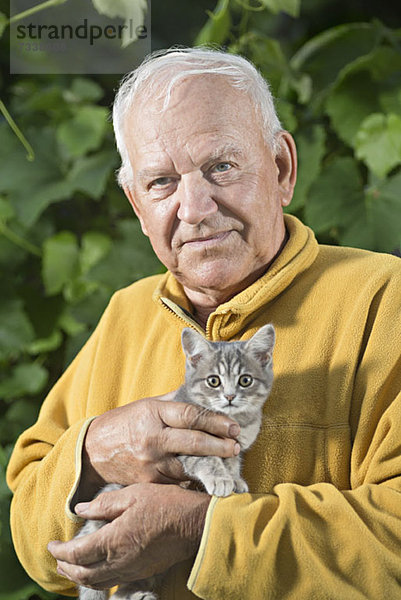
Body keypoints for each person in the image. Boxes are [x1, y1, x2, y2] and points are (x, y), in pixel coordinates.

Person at [6, 47, 401, 600]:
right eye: (161, 182)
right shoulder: (125, 312)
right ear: (137, 206)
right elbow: (32, 537)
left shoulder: (384, 298)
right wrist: (94, 453)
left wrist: (203, 530)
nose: (194, 207)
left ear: (282, 168)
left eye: (221, 167)